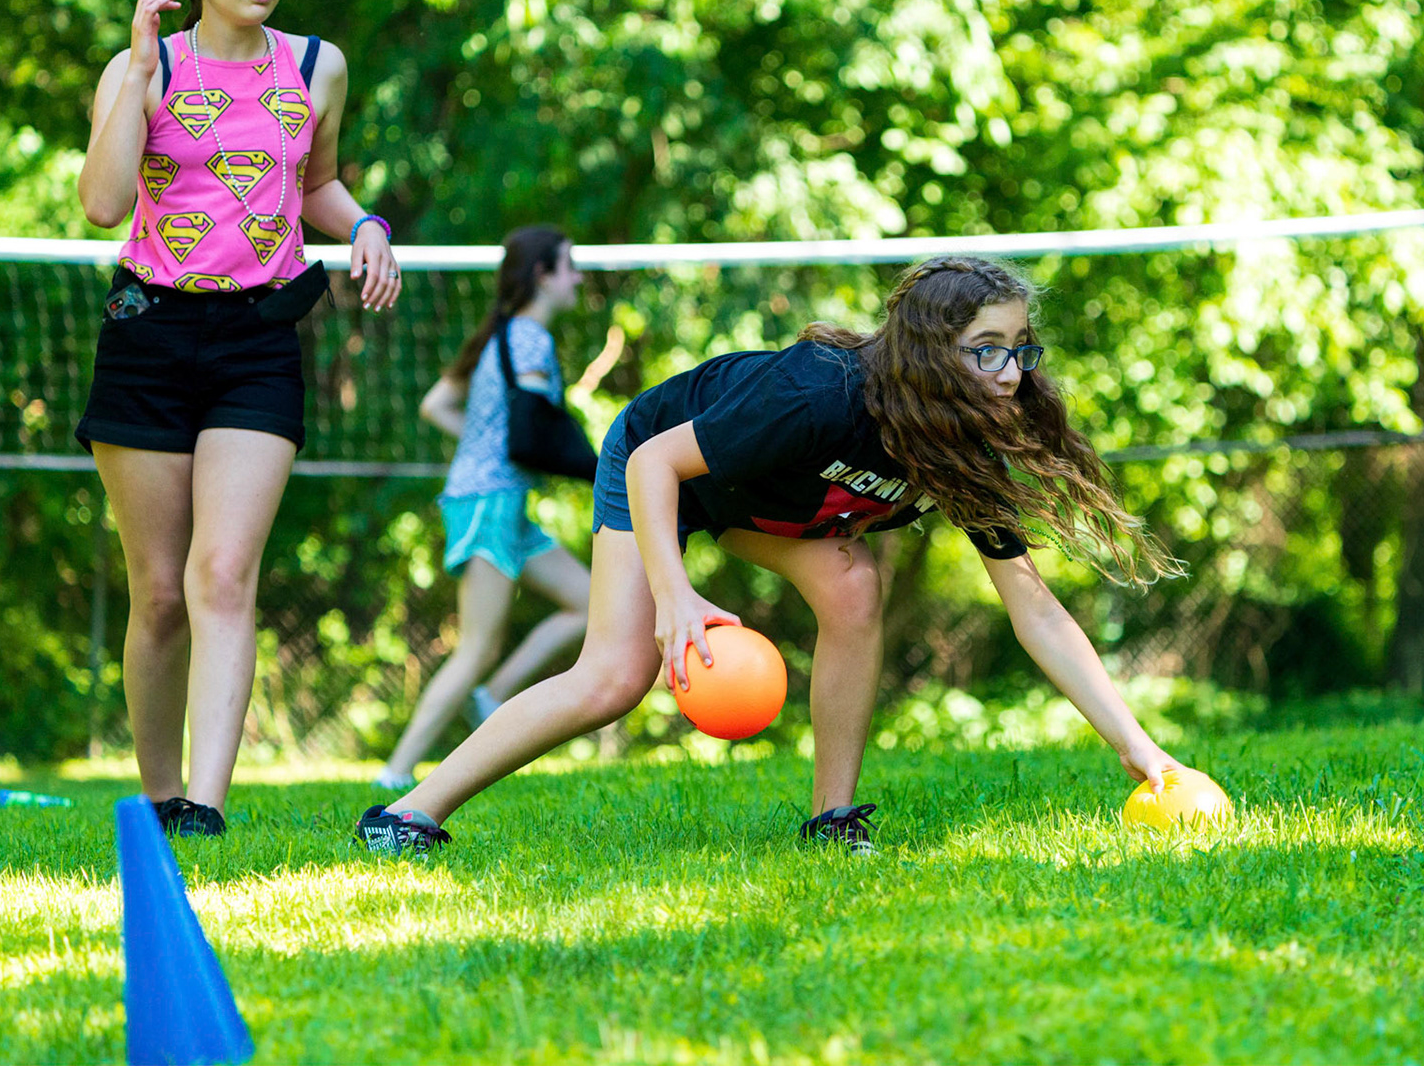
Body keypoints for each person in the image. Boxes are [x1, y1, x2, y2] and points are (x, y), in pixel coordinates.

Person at [355, 257, 1187, 855]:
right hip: (660, 461)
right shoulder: (821, 395)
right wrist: (674, 597)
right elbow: (656, 466)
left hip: (758, 499)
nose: (1011, 372)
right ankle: (406, 814)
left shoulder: (963, 449)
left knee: (856, 586)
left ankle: (833, 821)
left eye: (1019, 348)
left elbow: (1033, 606)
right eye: (987, 349)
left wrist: (1138, 749)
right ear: (933, 353)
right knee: (613, 679)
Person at [74, 0, 401, 836]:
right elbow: (100, 203)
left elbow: (319, 183)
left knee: (224, 574)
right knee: (162, 592)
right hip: (149, 331)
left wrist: (367, 225)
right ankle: (158, 792)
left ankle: (204, 812)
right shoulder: (148, 67)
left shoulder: (318, 65)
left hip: (260, 337)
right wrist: (135, 72)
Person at [374, 226, 594, 791]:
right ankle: (396, 773)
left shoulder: (502, 334)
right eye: (570, 266)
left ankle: (494, 697)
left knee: (590, 603)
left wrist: (481, 445)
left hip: (500, 501)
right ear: (543, 276)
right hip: (487, 503)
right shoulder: (528, 338)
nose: (578, 277)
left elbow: (436, 405)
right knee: (475, 648)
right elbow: (539, 429)